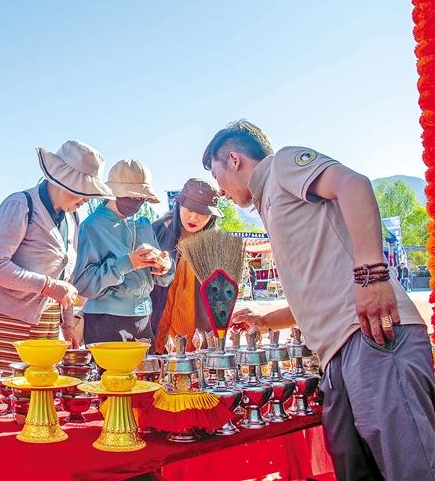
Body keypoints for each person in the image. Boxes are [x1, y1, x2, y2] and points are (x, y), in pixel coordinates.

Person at [205, 120, 435, 481]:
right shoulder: (270, 202)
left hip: (371, 335)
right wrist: (266, 321)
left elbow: (353, 184)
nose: (220, 191)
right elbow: (317, 289)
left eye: (216, 176)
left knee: (412, 467)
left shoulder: (282, 165)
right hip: (338, 352)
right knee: (355, 468)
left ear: (234, 159)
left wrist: (372, 276)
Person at [0, 140, 113, 376]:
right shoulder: (20, 204)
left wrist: (68, 323)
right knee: (5, 388)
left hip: (47, 323)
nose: (86, 200)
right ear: (62, 181)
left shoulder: (72, 218)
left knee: (39, 387)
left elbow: (65, 279)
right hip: (6, 320)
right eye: (83, 192)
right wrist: (48, 286)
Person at [72, 159, 174, 345]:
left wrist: (165, 266)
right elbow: (83, 284)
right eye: (132, 196)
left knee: (147, 366)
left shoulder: (144, 224)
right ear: (113, 192)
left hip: (144, 319)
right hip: (105, 321)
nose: (137, 203)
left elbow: (163, 279)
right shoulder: (91, 226)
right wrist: (127, 263)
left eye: (142, 198)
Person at [149, 178, 223, 353]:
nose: (194, 218)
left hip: (197, 326)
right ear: (179, 206)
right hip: (157, 319)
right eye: (189, 210)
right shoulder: (157, 231)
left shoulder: (216, 243)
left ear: (212, 216)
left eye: (203, 213)